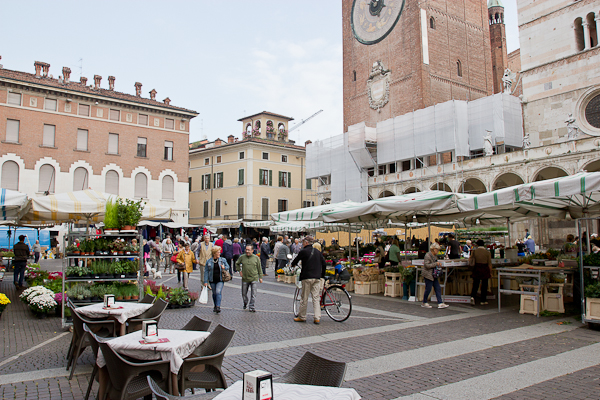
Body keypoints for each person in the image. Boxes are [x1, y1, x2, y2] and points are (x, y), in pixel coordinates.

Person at [292, 236, 327, 324]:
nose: (302, 243)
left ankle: (302, 316)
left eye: (303, 242)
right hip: (317, 278)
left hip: (307, 277)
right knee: (315, 298)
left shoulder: (303, 251)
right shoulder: (318, 252)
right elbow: (324, 264)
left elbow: (295, 261)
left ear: (307, 243)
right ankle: (317, 317)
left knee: (304, 297)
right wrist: (322, 275)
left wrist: (292, 265)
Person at [422, 243, 449, 309]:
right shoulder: (428, 255)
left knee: (438, 288)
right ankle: (424, 302)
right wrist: (436, 264)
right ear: (434, 249)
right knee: (428, 288)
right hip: (428, 274)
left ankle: (440, 302)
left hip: (434, 275)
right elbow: (427, 265)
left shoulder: (434, 256)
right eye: (437, 250)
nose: (438, 251)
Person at [236, 245, 263, 312]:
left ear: (252, 250)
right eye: (246, 250)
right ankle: (245, 302)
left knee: (253, 293)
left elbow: (259, 267)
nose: (247, 251)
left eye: (249, 250)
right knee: (244, 293)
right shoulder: (242, 257)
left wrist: (260, 277)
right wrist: (240, 271)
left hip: (254, 277)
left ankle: (251, 306)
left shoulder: (256, 258)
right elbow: (237, 263)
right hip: (245, 278)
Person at [204, 246, 230, 313]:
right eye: (218, 252)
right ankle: (215, 305)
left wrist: (224, 267)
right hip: (212, 279)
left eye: (219, 252)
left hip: (220, 279)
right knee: (214, 293)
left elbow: (228, 266)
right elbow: (206, 271)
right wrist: (205, 281)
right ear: (214, 253)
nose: (219, 253)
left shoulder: (222, 260)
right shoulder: (209, 261)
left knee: (218, 291)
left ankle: (218, 306)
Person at [469, 239, 493, 306]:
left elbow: (470, 259)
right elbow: (489, 264)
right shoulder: (487, 253)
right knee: (484, 285)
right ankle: (483, 300)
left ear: (477, 245)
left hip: (477, 268)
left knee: (475, 284)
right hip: (485, 268)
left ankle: (473, 296)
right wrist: (490, 272)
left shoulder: (474, 251)